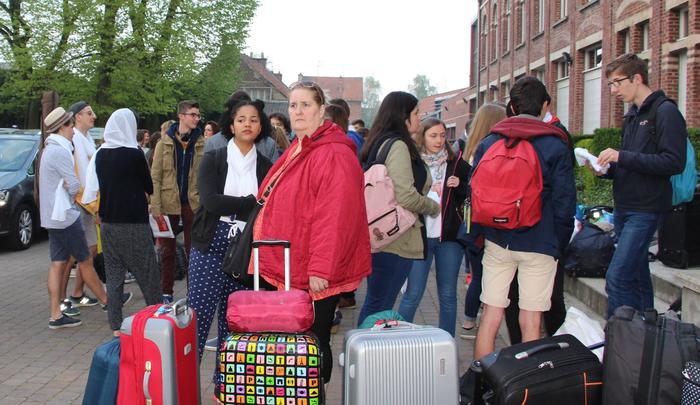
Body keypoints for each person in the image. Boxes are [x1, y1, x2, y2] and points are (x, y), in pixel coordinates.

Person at [251, 81, 371, 383]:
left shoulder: (332, 153)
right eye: (293, 105)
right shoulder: (301, 146)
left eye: (305, 104)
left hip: (313, 270)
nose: (298, 111)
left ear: (321, 111)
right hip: (293, 262)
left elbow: (336, 217)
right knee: (297, 348)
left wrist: (322, 268)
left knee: (313, 346)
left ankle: (312, 396)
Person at [472, 77, 575, 359]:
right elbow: (565, 203)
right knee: (531, 321)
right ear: (545, 106)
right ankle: (526, 388)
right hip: (540, 242)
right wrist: (559, 244)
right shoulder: (555, 144)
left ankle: (482, 386)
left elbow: (476, 191)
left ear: (513, 106)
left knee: (491, 316)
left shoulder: (490, 141)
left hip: (497, 239)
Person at [591, 53, 686, 318]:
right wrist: (606, 171)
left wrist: (622, 156)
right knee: (637, 274)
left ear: (637, 78)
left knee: (617, 277)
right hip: (625, 207)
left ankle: (620, 342)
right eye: (610, 84)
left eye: (617, 82)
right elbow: (633, 163)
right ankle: (646, 335)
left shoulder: (665, 112)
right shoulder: (632, 116)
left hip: (646, 209)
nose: (613, 90)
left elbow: (673, 162)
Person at [188, 99, 273, 390]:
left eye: (253, 119)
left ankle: (226, 386)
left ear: (260, 126)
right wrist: (250, 204)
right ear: (231, 124)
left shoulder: (267, 167)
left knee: (235, 323)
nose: (247, 124)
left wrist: (245, 208)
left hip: (247, 248)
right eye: (241, 119)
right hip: (211, 243)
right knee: (198, 319)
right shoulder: (213, 159)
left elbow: (269, 208)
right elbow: (210, 202)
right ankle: (185, 385)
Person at [357, 91, 440, 326]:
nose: (420, 118)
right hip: (395, 237)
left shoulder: (378, 142)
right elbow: (406, 195)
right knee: (379, 305)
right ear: (403, 116)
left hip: (379, 234)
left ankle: (361, 354)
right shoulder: (399, 146)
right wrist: (433, 206)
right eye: (416, 113)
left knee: (376, 302)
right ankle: (364, 355)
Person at [83, 108, 160, 336]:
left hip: (108, 223)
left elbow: (90, 190)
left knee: (114, 275)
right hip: (134, 223)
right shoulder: (135, 154)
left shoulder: (101, 153)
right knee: (148, 273)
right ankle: (156, 317)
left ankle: (116, 325)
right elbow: (149, 186)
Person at [397, 118, 470, 337]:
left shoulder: (456, 164)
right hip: (419, 236)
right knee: (413, 293)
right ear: (422, 137)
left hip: (448, 238)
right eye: (433, 135)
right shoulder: (414, 164)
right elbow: (403, 195)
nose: (439, 140)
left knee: (448, 294)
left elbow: (474, 191)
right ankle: (400, 338)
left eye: (442, 135)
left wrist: (460, 186)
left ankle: (446, 341)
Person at [39, 107, 108, 329]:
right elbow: (75, 184)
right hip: (65, 216)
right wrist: (72, 187)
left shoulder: (49, 149)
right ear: (62, 127)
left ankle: (55, 314)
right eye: (69, 125)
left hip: (52, 217)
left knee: (58, 264)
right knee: (85, 261)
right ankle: (108, 303)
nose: (72, 130)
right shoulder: (60, 151)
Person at [150, 100, 205, 303]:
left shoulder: (201, 143)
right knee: (167, 251)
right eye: (193, 114)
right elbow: (154, 177)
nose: (196, 119)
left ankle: (194, 294)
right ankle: (166, 293)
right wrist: (155, 206)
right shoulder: (163, 142)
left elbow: (205, 176)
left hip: (193, 203)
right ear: (181, 116)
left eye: (198, 115)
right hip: (167, 203)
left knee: (195, 252)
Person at [460, 104, 506, 339]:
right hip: (487, 223)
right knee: (486, 277)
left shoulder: (469, 148)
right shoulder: (493, 148)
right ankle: (483, 320)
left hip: (470, 224)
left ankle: (469, 321)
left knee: (476, 274)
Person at [57, 101, 100, 317]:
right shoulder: (72, 138)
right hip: (78, 202)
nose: (94, 116)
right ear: (77, 116)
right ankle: (62, 299)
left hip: (89, 202)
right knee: (72, 255)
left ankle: (77, 293)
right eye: (89, 113)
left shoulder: (87, 138)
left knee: (90, 249)